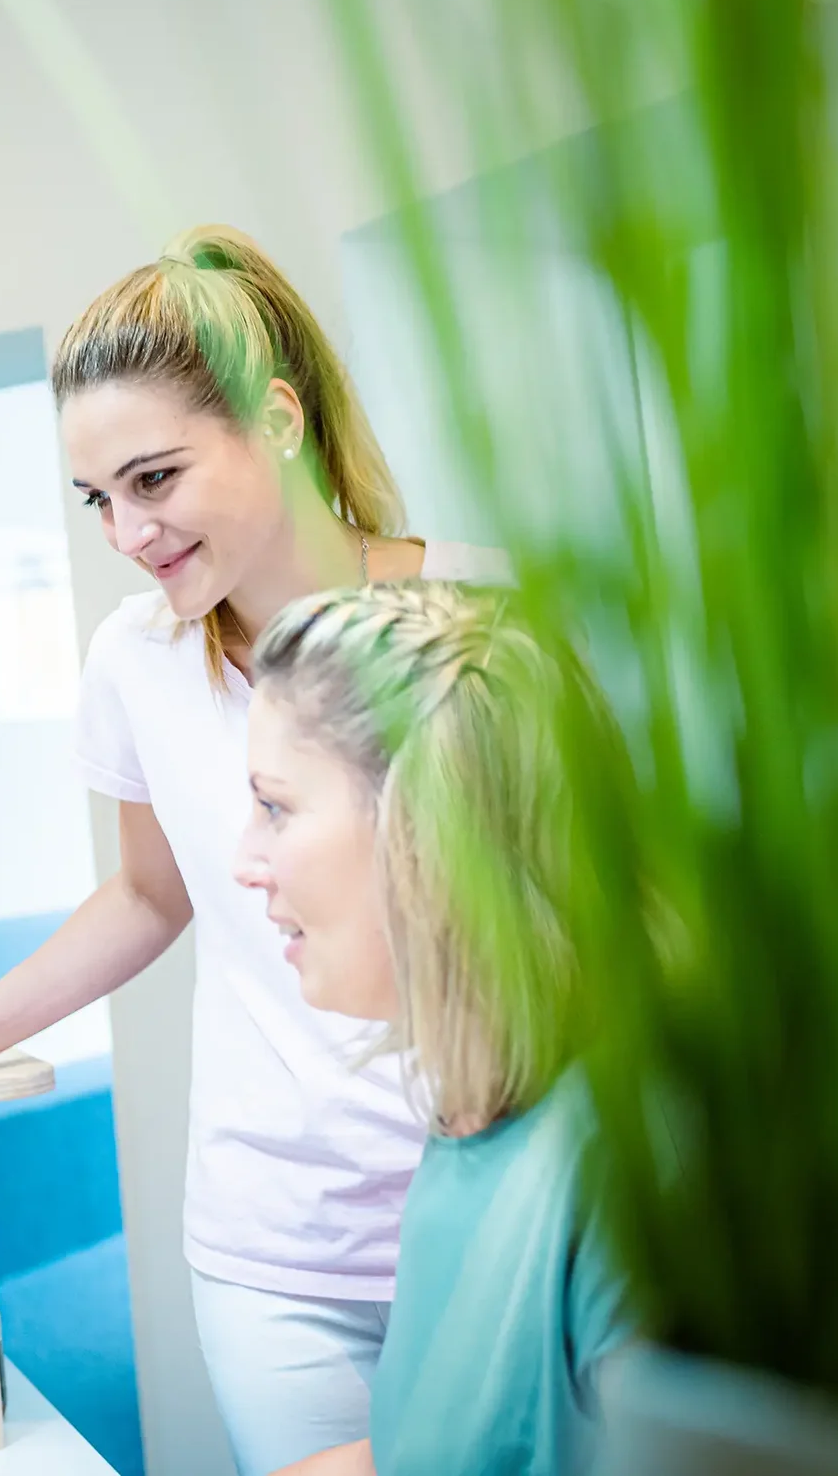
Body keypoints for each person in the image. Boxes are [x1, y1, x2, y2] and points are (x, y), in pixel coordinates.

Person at [0, 224, 503, 1474]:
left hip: (488, 1209)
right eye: (97, 499)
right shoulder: (137, 662)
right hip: (273, 1244)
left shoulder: (479, 627)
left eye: (154, 479)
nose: (127, 532)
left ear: (279, 420)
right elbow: (151, 890)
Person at [235, 583, 630, 1476]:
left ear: (430, 830)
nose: (242, 861)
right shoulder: (469, 1118)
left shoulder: (623, 1173)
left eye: (275, 807)